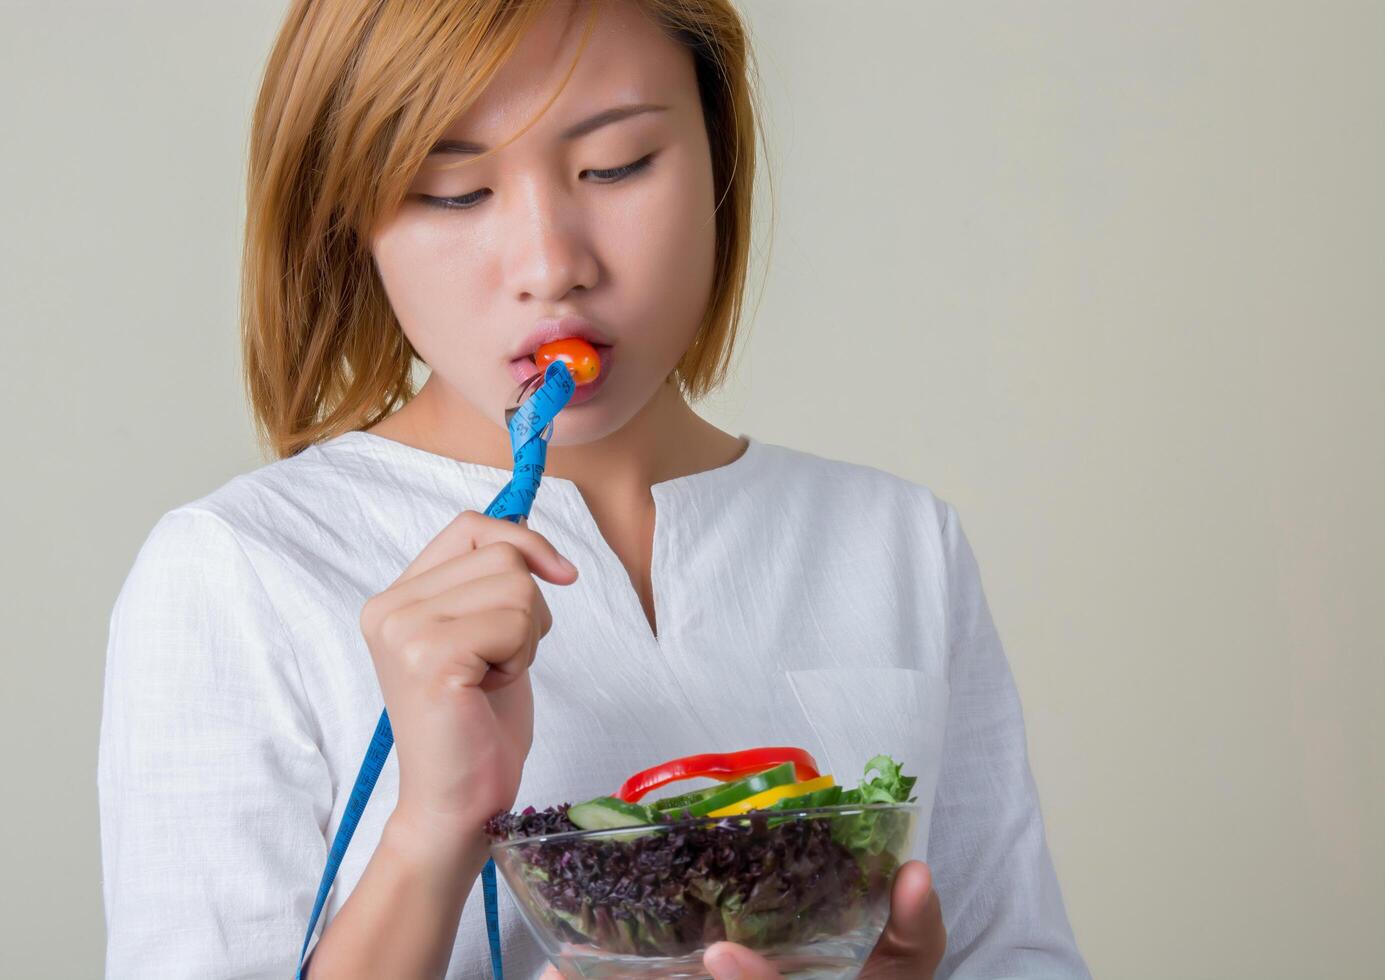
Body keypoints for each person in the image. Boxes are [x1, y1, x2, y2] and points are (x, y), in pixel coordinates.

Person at [97, 1, 1090, 977]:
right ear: (349, 213)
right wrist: (431, 829)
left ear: (717, 151)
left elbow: (1015, 954)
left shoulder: (894, 540)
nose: (550, 266)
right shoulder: (237, 573)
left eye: (616, 166)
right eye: (452, 188)